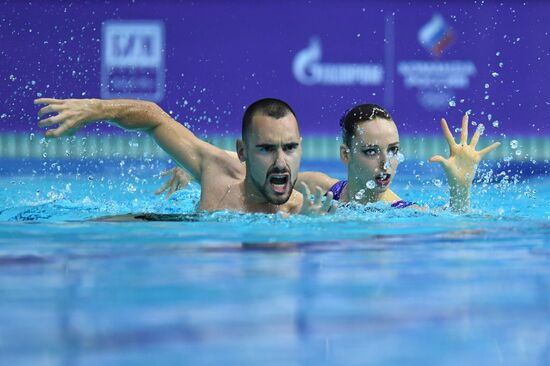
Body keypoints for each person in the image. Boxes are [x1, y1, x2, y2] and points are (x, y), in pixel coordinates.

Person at [157, 104, 500, 212]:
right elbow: (265, 171)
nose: (385, 164)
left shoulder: (401, 212)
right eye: (371, 151)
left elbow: (455, 229)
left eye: (393, 151)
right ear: (346, 155)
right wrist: (198, 170)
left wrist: (461, 189)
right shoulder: (317, 186)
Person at [34, 97, 337, 216]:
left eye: (290, 148)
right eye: (267, 148)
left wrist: (312, 227)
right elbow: (155, 118)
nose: (281, 161)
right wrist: (95, 110)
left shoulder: (304, 210)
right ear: (242, 152)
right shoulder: (217, 169)